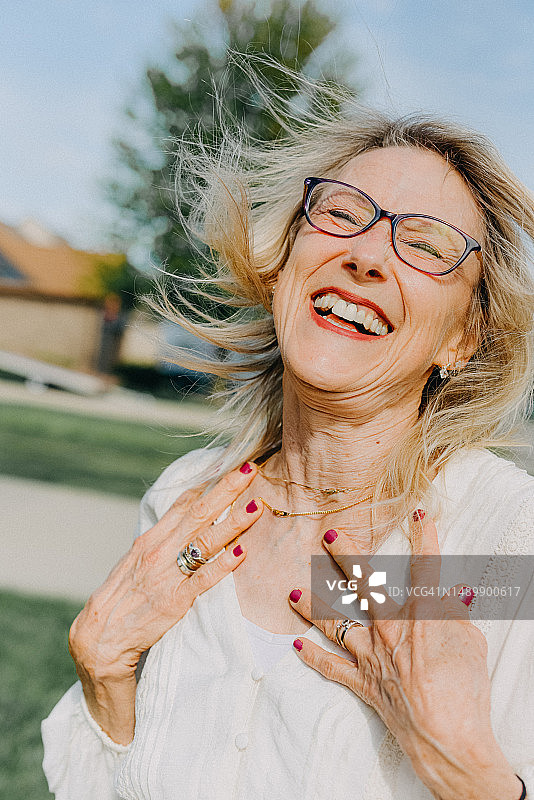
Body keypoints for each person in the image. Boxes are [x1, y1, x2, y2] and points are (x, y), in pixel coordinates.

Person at [42, 81, 534, 800]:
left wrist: (470, 776)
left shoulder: (504, 547)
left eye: (425, 244)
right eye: (340, 213)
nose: (368, 254)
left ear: (462, 338)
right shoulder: (187, 500)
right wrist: (105, 677)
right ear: (284, 262)